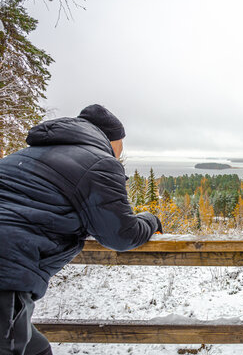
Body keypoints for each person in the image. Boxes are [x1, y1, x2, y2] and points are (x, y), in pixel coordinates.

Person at [0, 105, 162, 355]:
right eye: (121, 144)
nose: (120, 152)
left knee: (37, 349)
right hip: (7, 270)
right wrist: (151, 219)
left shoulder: (25, 155)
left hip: (11, 268)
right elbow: (121, 235)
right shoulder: (99, 163)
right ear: (112, 140)